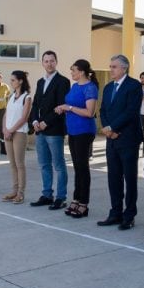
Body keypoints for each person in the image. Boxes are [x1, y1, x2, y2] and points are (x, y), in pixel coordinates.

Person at [97, 54, 142, 230]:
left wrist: (114, 128)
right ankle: (115, 212)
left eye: (114, 66)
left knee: (129, 178)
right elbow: (103, 110)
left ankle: (129, 215)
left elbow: (131, 112)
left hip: (128, 138)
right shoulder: (108, 88)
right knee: (113, 177)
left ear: (124, 68)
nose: (111, 69)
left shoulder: (134, 86)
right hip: (111, 140)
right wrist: (108, 129)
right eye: (110, 66)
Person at [54, 59, 98, 218]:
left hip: (84, 131)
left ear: (81, 72)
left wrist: (69, 108)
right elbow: (71, 106)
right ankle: (76, 198)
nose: (71, 73)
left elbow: (89, 112)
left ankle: (84, 203)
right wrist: (63, 108)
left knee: (83, 167)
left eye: (73, 70)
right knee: (77, 167)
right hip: (72, 131)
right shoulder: (74, 86)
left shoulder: (90, 88)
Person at [29, 51, 71, 210]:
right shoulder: (40, 82)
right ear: (42, 63)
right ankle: (47, 194)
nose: (49, 64)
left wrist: (46, 122)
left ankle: (61, 198)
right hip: (40, 130)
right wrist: (34, 121)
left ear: (56, 62)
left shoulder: (63, 81)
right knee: (44, 164)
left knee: (59, 165)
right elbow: (35, 105)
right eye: (46, 61)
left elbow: (61, 106)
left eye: (52, 61)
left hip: (54, 130)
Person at [2, 70, 32, 203]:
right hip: (8, 132)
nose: (11, 82)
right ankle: (14, 191)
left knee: (20, 164)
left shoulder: (27, 97)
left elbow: (24, 118)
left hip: (19, 133)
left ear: (20, 81)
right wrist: (4, 129)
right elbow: (5, 114)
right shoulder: (11, 96)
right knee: (12, 163)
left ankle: (21, 193)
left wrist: (11, 130)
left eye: (13, 80)